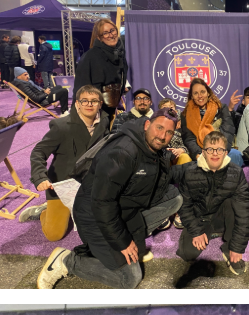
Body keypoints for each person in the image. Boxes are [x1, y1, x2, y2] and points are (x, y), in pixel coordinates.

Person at [37, 109, 184, 290]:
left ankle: (125, 241)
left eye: (169, 132)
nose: (162, 136)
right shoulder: (123, 152)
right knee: (129, 278)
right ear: (147, 124)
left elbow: (158, 182)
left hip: (123, 210)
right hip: (94, 216)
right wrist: (122, 241)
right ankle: (67, 261)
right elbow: (102, 203)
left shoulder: (154, 148)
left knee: (175, 198)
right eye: (159, 128)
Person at [19, 84, 107, 234]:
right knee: (55, 234)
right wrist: (40, 177)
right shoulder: (61, 126)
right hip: (63, 185)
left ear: (100, 104)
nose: (89, 104)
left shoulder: (106, 123)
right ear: (77, 103)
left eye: (94, 101)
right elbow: (38, 152)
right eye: (84, 100)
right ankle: (42, 211)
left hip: (92, 184)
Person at [174, 130, 249, 277]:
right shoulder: (190, 172)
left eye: (220, 149)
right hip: (200, 217)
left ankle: (226, 244)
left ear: (226, 152)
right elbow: (184, 206)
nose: (215, 153)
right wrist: (196, 231)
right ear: (203, 152)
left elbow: (244, 211)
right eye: (210, 149)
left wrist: (236, 246)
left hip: (222, 215)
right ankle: (210, 231)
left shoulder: (236, 173)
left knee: (232, 202)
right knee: (187, 254)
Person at [75, 17, 126, 123]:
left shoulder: (119, 54)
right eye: (105, 33)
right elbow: (81, 87)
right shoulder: (90, 56)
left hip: (111, 110)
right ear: (99, 37)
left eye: (112, 30)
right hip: (94, 112)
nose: (111, 35)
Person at [180, 78, 240, 166]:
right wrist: (198, 154)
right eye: (196, 93)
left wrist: (221, 151)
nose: (200, 96)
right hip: (201, 151)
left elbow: (228, 131)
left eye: (202, 92)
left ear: (208, 93)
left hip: (221, 149)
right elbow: (189, 139)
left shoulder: (221, 108)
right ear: (192, 96)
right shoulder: (185, 114)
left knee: (235, 155)